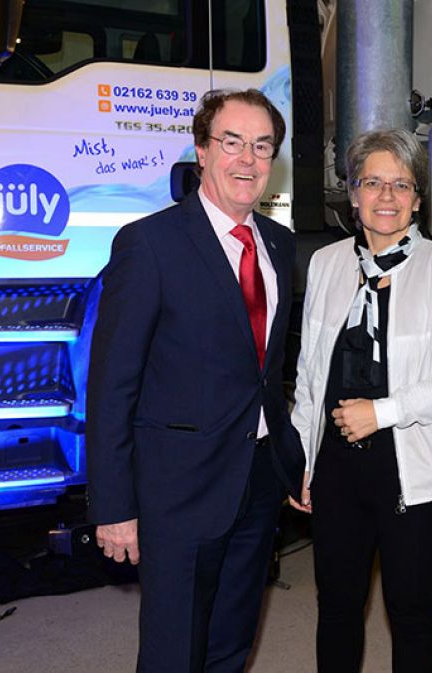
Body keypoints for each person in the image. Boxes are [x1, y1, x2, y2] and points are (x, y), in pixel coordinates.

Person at [86, 89, 305, 672]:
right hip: (177, 489)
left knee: (232, 643)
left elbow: (269, 373)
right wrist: (114, 506)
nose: (247, 160)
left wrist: (290, 459)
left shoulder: (279, 246)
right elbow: (112, 385)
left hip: (257, 480)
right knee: (173, 652)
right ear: (202, 151)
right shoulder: (149, 244)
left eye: (262, 147)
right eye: (231, 143)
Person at [288, 128, 432, 673]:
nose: (387, 196)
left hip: (415, 469)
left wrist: (383, 412)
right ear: (352, 194)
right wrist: (301, 458)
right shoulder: (326, 263)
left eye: (401, 184)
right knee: (337, 609)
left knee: (412, 612)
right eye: (372, 182)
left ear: (418, 199)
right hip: (335, 468)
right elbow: (309, 374)